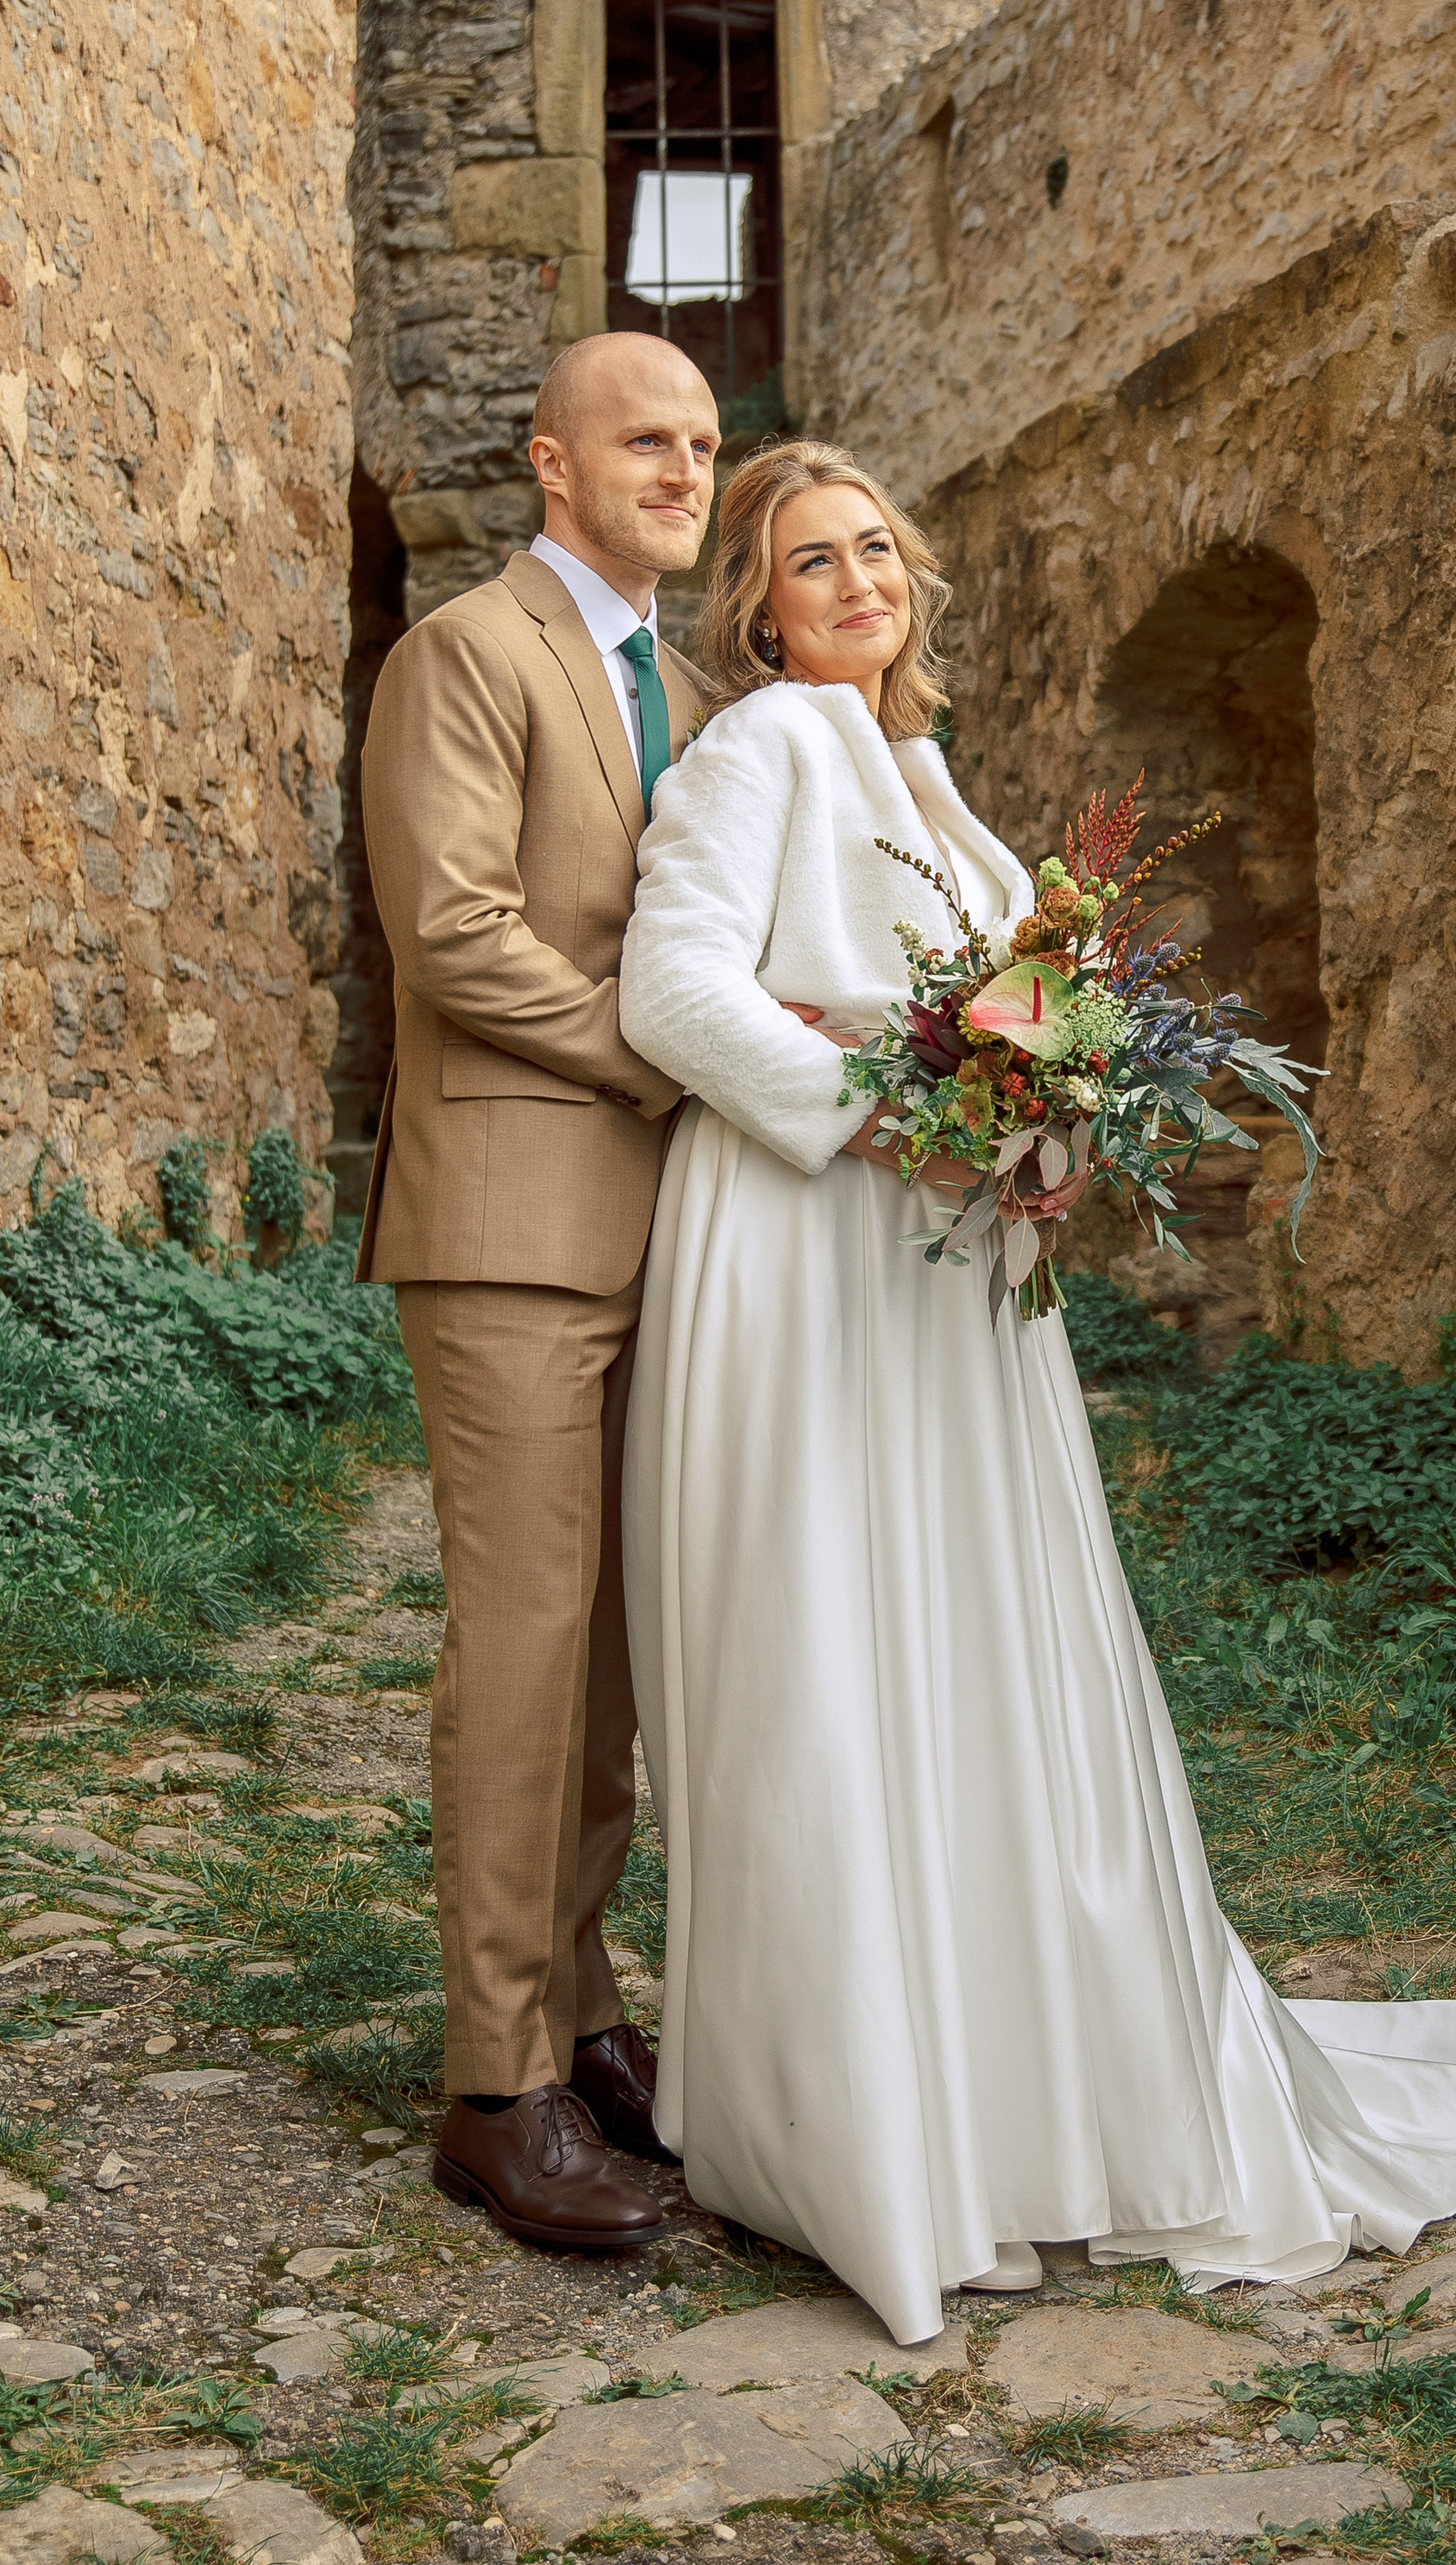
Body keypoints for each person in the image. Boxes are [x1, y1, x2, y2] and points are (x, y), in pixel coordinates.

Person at [617, 437, 1456, 2345]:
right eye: (810, 559)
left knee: (975, 1645)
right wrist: (894, 1122)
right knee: (840, 1641)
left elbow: (1001, 1023)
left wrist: (1039, 1135)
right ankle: (867, 2121)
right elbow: (677, 993)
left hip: (949, 1267)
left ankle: (1012, 2082)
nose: (856, 582)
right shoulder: (759, 749)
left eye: (876, 548)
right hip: (808, 1245)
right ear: (757, 606)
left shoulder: (927, 776)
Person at [358, 331, 720, 2252]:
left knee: (606, 1668)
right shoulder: (468, 653)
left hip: (670, 1229)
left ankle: (579, 2016)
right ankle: (494, 2088)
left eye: (703, 443)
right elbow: (453, 932)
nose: (683, 469)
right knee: (520, 1645)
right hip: (507, 1213)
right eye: (643, 439)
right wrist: (671, 1057)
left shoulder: (694, 690)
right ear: (550, 462)